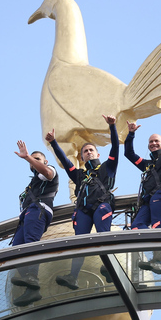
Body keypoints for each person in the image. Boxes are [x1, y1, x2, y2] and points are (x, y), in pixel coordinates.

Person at [48, 114, 119, 290]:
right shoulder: (80, 175)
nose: (88, 152)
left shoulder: (107, 168)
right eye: (85, 151)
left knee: (103, 235)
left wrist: (112, 127)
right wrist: (53, 143)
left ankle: (110, 267)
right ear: (82, 157)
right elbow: (66, 162)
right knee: (79, 241)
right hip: (84, 210)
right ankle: (73, 276)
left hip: (101, 206)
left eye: (91, 150)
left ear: (97, 154)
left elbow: (115, 148)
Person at [124, 108, 161, 274]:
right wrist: (131, 134)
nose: (153, 143)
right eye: (150, 142)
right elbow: (129, 154)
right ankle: (159, 245)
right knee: (136, 227)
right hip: (147, 200)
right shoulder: (147, 164)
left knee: (156, 225)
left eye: (156, 141)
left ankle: (158, 260)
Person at [10, 140, 59, 307]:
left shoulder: (49, 170)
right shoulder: (32, 183)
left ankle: (32, 277)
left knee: (31, 242)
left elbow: (47, 172)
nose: (33, 161)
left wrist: (27, 157)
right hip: (27, 214)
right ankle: (31, 288)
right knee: (16, 249)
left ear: (45, 161)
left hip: (39, 209)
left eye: (37, 159)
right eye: (32, 159)